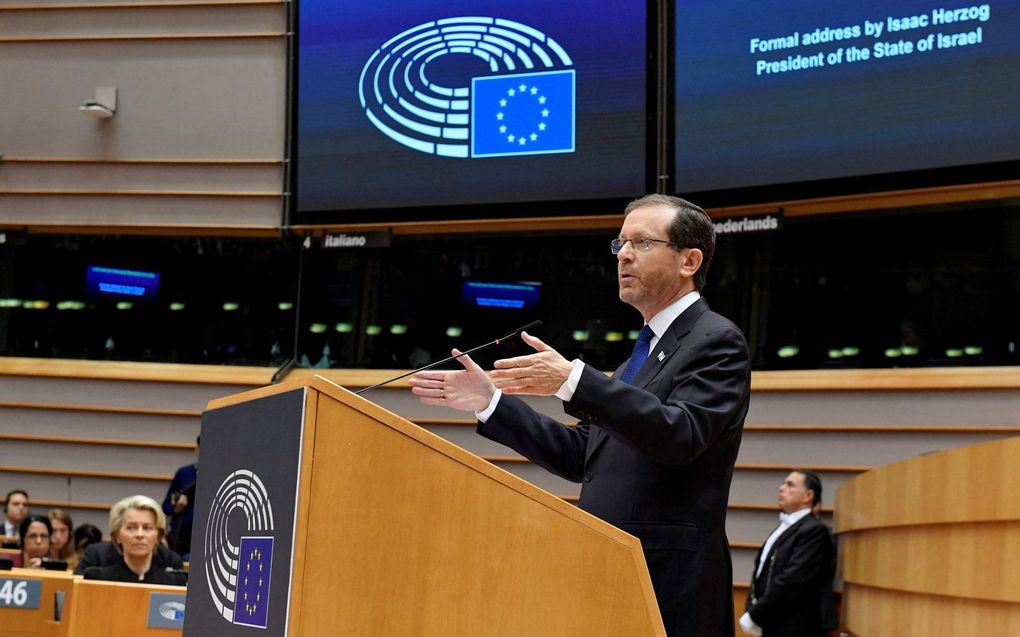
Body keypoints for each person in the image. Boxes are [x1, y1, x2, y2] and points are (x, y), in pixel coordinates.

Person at [410, 194, 751, 637]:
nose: (624, 254)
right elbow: (582, 454)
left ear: (689, 260)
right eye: (621, 243)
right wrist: (490, 401)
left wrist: (574, 379)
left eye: (643, 243)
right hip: (608, 570)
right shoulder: (637, 359)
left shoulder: (715, 339)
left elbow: (680, 434)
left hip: (669, 580)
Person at [740, 470, 837, 637]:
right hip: (773, 622)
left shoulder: (814, 531)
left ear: (808, 495)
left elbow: (792, 579)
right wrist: (752, 609)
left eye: (790, 485)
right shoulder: (785, 527)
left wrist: (756, 613)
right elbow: (761, 569)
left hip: (796, 627)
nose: (781, 488)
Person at [81, 495, 185, 585]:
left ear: (158, 536)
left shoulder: (174, 582)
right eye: (131, 528)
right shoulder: (98, 579)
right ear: (117, 536)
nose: (139, 535)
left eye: (147, 528)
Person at [162, 435, 199, 559]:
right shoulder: (184, 473)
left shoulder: (221, 475)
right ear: (197, 449)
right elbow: (166, 506)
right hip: (180, 537)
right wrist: (176, 508)